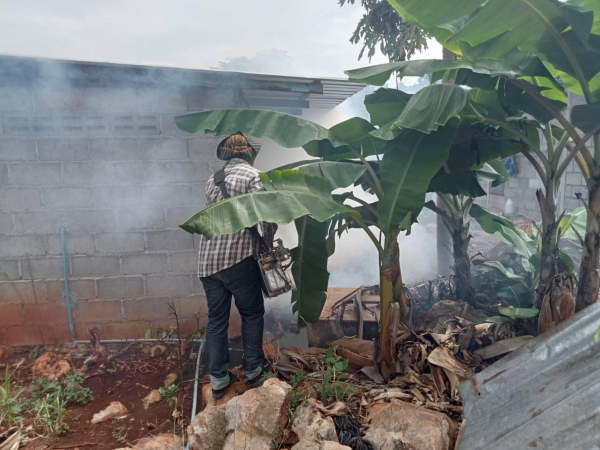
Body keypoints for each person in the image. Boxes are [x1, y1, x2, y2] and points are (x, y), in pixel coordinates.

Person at [198, 132, 277, 399]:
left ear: (228, 155)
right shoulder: (253, 177)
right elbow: (265, 217)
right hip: (238, 258)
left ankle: (219, 379)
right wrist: (268, 240)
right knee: (252, 313)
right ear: (249, 154)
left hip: (208, 262)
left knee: (216, 319)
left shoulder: (213, 179)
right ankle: (253, 369)